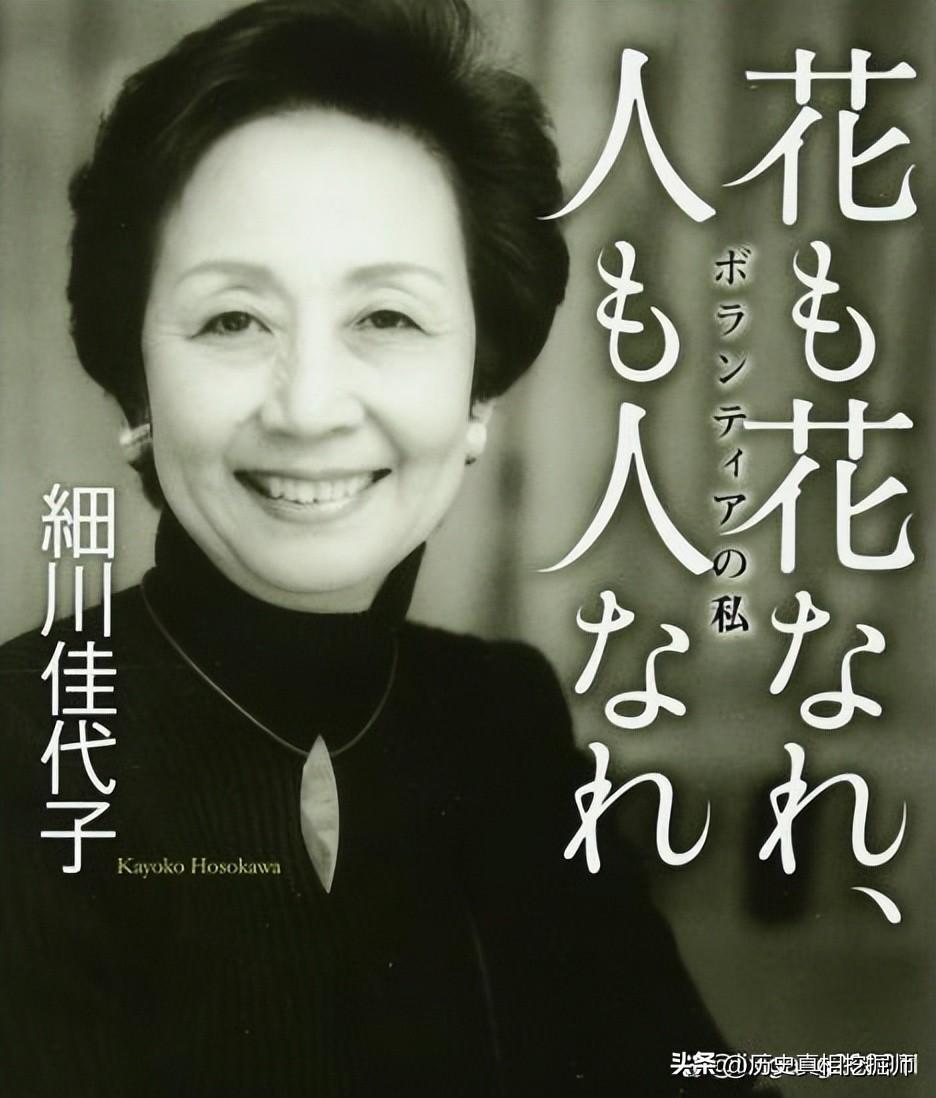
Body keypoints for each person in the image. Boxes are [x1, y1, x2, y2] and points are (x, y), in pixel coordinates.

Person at [0, 2, 763, 1095]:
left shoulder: (505, 723)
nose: (309, 408)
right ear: (138, 389)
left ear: (477, 395)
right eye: (232, 321)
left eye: (387, 319)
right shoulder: (30, 749)